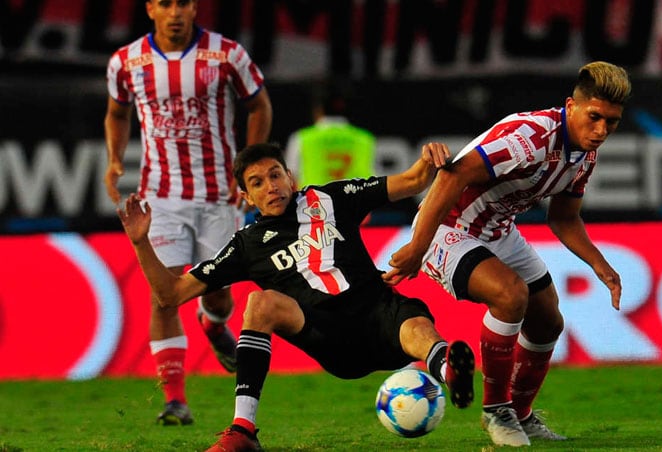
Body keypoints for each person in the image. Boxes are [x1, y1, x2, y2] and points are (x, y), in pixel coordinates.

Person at [117, 142, 476, 451]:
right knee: (260, 303)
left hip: (378, 313)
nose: (271, 187)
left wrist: (431, 157)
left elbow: (413, 180)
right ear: (246, 197)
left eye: (275, 175)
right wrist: (140, 242)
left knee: (414, 323)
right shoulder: (248, 244)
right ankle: (243, 430)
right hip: (329, 335)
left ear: (290, 177)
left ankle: (448, 371)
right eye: (257, 183)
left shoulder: (333, 197)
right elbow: (170, 294)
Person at [383, 61, 629, 447]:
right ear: (571, 106)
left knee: (548, 320)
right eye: (595, 117)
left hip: (498, 229)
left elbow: (564, 219)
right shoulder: (528, 137)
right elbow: (452, 175)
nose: (601, 131)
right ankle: (496, 411)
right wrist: (417, 247)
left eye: (611, 123)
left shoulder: (584, 154)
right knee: (510, 295)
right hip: (449, 227)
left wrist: (601, 266)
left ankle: (523, 414)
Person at [104, 0, 272, 425]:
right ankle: (175, 400)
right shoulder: (126, 62)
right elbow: (116, 112)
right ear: (150, 9)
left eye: (183, 2)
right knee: (163, 293)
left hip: (219, 195)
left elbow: (259, 106)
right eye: (165, 3)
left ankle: (214, 324)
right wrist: (114, 159)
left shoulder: (227, 53)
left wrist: (247, 167)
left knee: (217, 292)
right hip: (160, 197)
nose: (175, 12)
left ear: (194, 8)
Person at [284, 80, 376, 188]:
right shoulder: (365, 139)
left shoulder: (301, 138)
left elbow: (291, 178)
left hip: (315, 203)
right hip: (358, 204)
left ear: (318, 109)